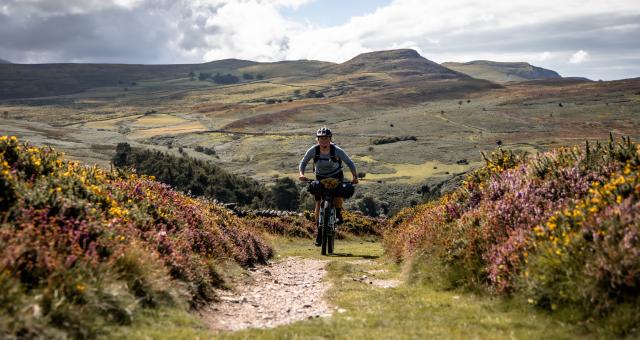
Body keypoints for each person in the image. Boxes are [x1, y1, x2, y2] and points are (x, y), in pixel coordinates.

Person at [299, 127, 358, 246]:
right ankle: (319, 232)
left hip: (336, 176)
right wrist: (301, 174)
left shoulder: (336, 150)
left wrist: (355, 177)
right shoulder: (313, 150)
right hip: (320, 177)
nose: (323, 141)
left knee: (338, 194)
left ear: (330, 139)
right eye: (321, 138)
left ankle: (338, 213)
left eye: (326, 138)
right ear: (317, 140)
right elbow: (303, 162)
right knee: (318, 202)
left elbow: (349, 162)